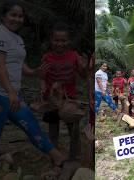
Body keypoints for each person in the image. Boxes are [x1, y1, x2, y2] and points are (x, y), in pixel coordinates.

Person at [0, 1, 66, 177]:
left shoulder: (17, 39)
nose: (17, 19)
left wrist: (34, 72)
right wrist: (11, 93)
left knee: (31, 124)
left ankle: (58, 157)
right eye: (13, 15)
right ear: (3, 16)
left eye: (20, 16)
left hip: (12, 95)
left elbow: (19, 64)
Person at [40, 22, 87, 160]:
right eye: (56, 40)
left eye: (63, 40)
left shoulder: (74, 56)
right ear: (51, 40)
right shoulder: (47, 57)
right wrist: (42, 88)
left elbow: (83, 75)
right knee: (53, 129)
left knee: (73, 130)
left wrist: (84, 67)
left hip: (69, 99)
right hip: (52, 100)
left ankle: (74, 156)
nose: (60, 43)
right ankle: (55, 155)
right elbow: (42, 77)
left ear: (69, 41)